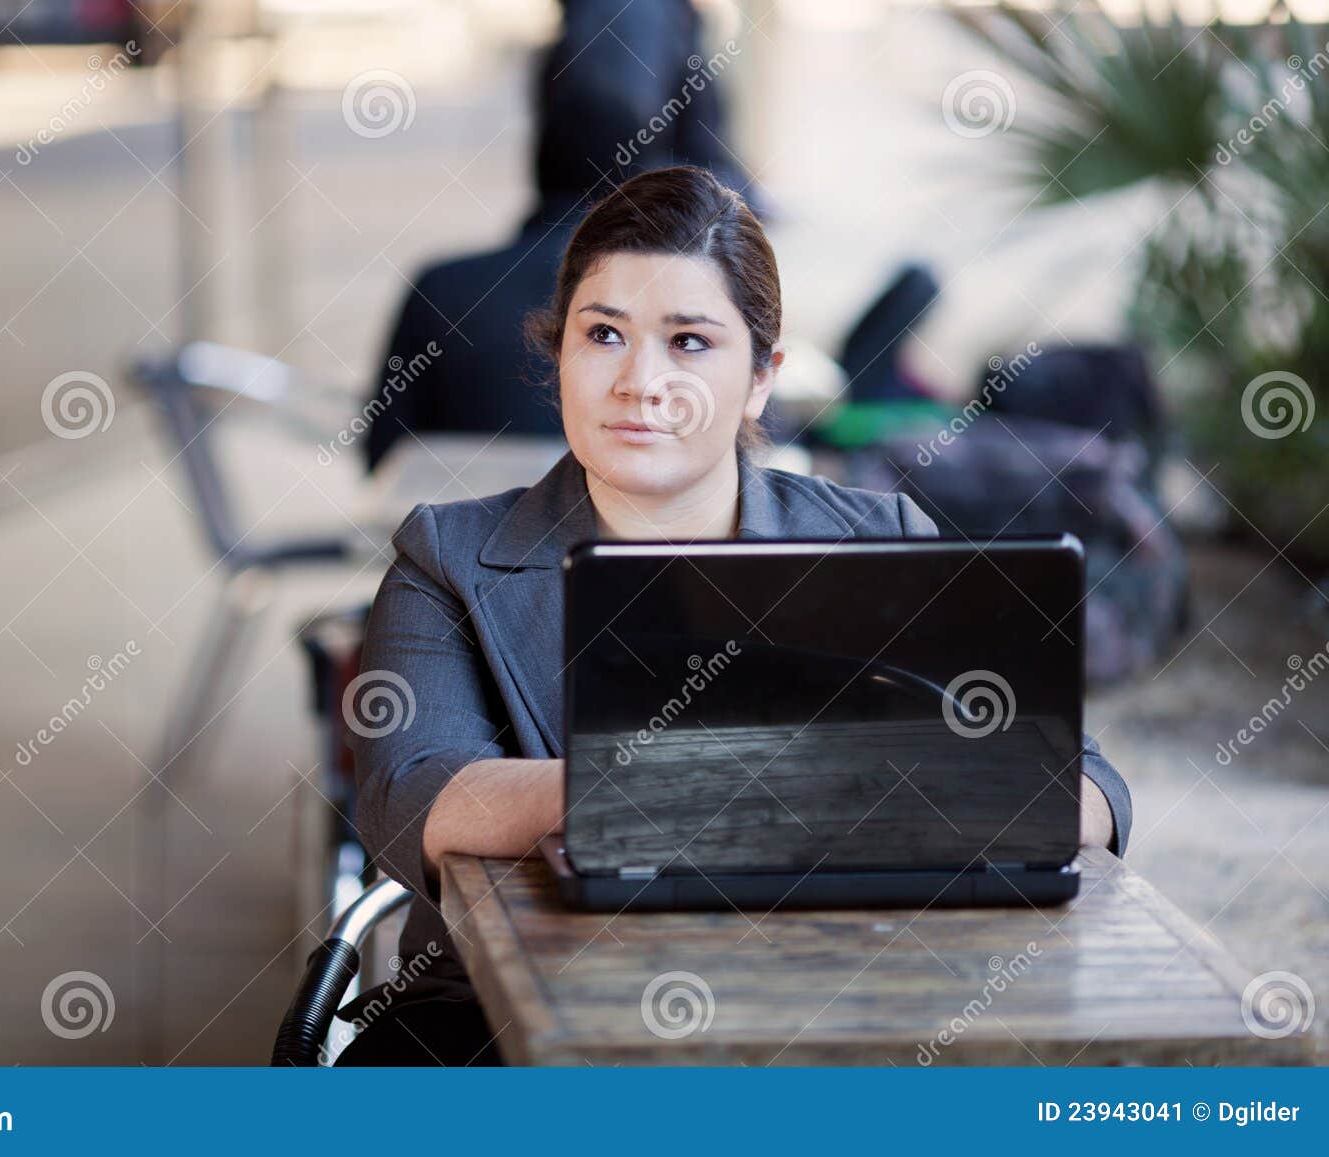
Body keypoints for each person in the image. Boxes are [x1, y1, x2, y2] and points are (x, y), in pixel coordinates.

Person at [337, 165, 1132, 1066]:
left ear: (761, 379)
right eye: (604, 334)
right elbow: (418, 796)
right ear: (559, 353)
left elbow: (1088, 790)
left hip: (830, 1009)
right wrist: (754, 781)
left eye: (690, 342)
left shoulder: (879, 539)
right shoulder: (447, 554)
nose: (642, 381)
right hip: (498, 1031)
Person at [360, 0, 763, 473]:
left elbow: (386, 465)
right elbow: (748, 463)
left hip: (463, 546)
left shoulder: (442, 291)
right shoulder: (714, 302)